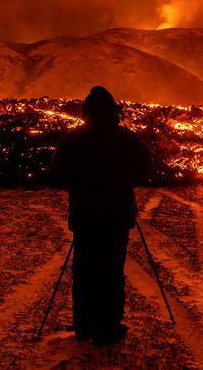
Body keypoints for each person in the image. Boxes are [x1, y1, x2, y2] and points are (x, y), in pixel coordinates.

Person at [52, 86, 152, 345]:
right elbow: (144, 167)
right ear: (113, 112)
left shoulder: (73, 140)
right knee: (111, 271)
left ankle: (84, 326)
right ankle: (107, 328)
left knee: (84, 270)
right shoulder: (124, 138)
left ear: (86, 112)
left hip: (85, 215)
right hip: (115, 216)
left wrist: (80, 182)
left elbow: (57, 170)